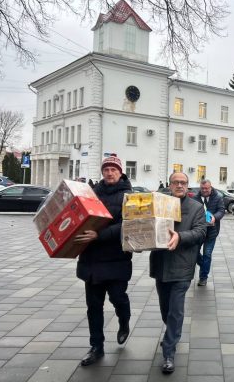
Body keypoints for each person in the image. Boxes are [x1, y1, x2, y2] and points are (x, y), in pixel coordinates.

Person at [73, 154, 133, 366]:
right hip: (91, 260)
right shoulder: (91, 193)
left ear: (120, 172)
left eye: (113, 169)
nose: (109, 173)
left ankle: (124, 320)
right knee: (94, 307)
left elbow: (128, 225)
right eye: (106, 169)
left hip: (116, 258)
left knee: (118, 298)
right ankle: (96, 346)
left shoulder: (129, 195)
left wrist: (99, 235)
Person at [149, 172, 206, 374]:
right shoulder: (158, 203)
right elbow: (145, 225)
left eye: (183, 182)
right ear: (170, 184)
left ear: (187, 186)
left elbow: (200, 232)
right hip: (160, 265)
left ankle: (169, 352)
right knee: (166, 309)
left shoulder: (196, 208)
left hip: (182, 267)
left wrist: (180, 237)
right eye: (176, 182)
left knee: (176, 310)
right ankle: (171, 333)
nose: (179, 185)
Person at [193, 179, 226, 286]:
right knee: (194, 253)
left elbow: (221, 211)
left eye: (206, 188)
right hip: (198, 231)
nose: (204, 190)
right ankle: (205, 266)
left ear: (210, 187)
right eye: (202, 188)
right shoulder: (195, 198)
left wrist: (214, 217)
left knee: (207, 254)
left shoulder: (218, 197)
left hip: (212, 231)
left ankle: (203, 278)